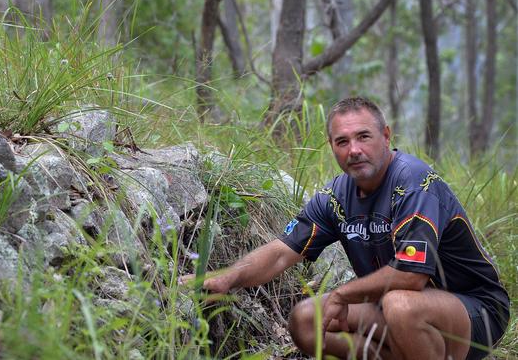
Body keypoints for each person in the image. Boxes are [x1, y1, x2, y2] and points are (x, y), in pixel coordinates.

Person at [181, 97, 509, 359]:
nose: (354, 150)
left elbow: (410, 276)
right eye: (342, 141)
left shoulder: (414, 182)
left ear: (386, 135)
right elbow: (283, 251)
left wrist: (341, 294)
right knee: (307, 320)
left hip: (474, 310)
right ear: (332, 146)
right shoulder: (336, 195)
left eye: (363, 137)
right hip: (401, 309)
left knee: (400, 303)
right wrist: (227, 277)